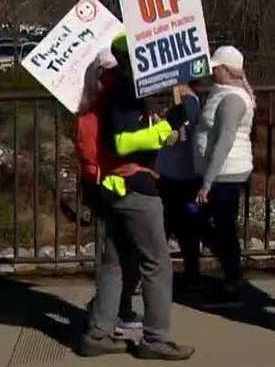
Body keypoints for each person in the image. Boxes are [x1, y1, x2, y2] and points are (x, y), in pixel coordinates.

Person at [78, 36, 195, 361]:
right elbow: (124, 142)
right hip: (134, 188)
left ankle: (98, 333)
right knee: (157, 264)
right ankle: (155, 338)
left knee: (116, 262)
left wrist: (161, 129)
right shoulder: (123, 92)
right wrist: (167, 125)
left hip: (116, 187)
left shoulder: (112, 91)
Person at [74, 48, 144, 339]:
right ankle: (110, 311)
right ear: (101, 75)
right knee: (118, 255)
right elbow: (92, 152)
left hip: (115, 184)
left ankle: (114, 309)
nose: (118, 77)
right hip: (106, 186)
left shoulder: (113, 104)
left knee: (125, 252)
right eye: (112, 72)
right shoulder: (93, 110)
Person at [193, 46, 255, 306]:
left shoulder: (232, 100)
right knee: (202, 220)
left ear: (227, 71)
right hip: (219, 175)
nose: (212, 71)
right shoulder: (222, 94)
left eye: (216, 67)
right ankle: (231, 272)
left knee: (211, 223)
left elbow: (224, 142)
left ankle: (232, 279)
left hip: (225, 176)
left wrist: (207, 182)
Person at [155, 83, 203, 290]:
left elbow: (178, 137)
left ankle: (190, 274)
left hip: (181, 178)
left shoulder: (190, 104)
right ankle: (168, 273)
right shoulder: (177, 104)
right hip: (170, 175)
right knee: (171, 226)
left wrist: (160, 127)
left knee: (183, 228)